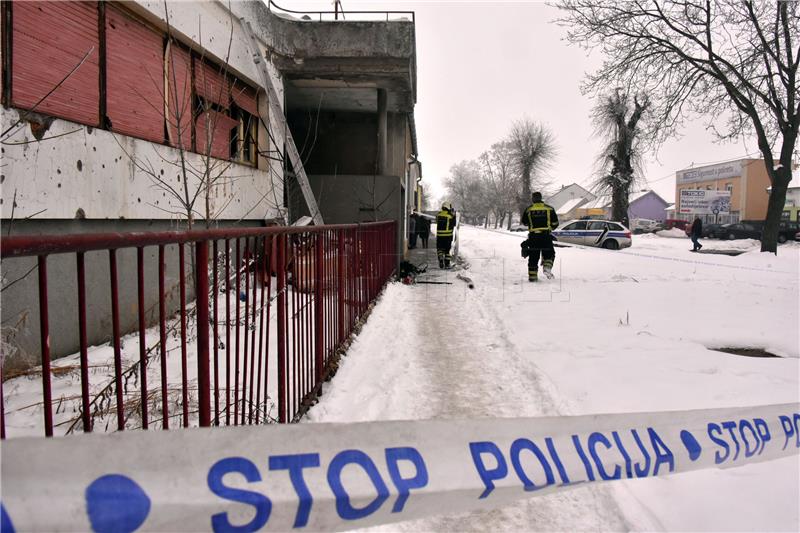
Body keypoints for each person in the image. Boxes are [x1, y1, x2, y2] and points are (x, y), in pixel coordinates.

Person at [522, 191, 559, 282]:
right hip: (546, 236)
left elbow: (524, 222)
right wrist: (550, 227)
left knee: (533, 257)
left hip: (533, 237)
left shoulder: (528, 209)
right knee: (550, 253)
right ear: (541, 198)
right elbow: (555, 223)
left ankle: (532, 277)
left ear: (533, 199)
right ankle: (547, 267)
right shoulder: (549, 209)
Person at [436, 202, 457, 268]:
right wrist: (454, 215)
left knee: (440, 249)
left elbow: (437, 221)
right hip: (448, 236)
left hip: (439, 236)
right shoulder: (450, 215)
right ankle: (447, 264)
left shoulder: (438, 214)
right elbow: (454, 224)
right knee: (447, 250)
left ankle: (441, 259)